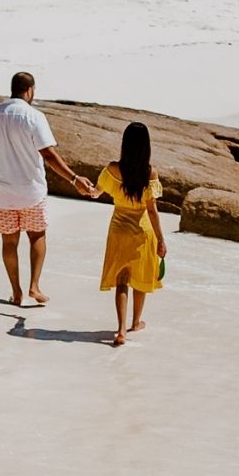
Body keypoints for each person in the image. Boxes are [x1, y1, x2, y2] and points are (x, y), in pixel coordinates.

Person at [0, 71, 97, 307]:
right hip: (31, 192)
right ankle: (35, 285)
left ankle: (16, 292)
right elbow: (48, 154)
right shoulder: (34, 116)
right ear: (30, 90)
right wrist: (74, 179)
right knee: (37, 236)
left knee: (9, 243)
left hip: (2, 192)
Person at [96, 122, 165, 346]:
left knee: (122, 279)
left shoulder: (113, 169)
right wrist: (161, 239)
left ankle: (120, 331)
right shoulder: (150, 172)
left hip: (119, 229)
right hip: (143, 229)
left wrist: (86, 187)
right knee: (140, 278)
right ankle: (135, 323)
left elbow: (96, 192)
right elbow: (152, 209)